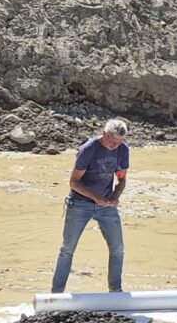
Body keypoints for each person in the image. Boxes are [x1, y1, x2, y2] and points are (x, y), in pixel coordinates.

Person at [51, 118, 130, 294]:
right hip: (80, 204)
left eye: (119, 143)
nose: (115, 146)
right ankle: (56, 294)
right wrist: (96, 198)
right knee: (67, 249)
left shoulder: (123, 150)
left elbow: (122, 179)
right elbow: (74, 183)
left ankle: (115, 292)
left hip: (106, 206)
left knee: (118, 249)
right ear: (104, 134)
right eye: (112, 141)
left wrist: (115, 197)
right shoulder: (88, 149)